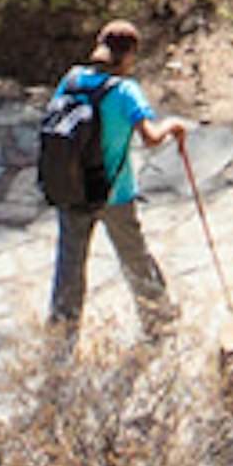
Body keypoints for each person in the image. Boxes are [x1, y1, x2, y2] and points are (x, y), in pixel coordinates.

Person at [43, 19, 186, 345]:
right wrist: (172, 126)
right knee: (135, 258)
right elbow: (150, 138)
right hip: (115, 193)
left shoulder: (73, 79)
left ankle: (60, 341)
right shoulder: (126, 91)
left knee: (70, 268)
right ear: (130, 54)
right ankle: (159, 322)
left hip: (72, 189)